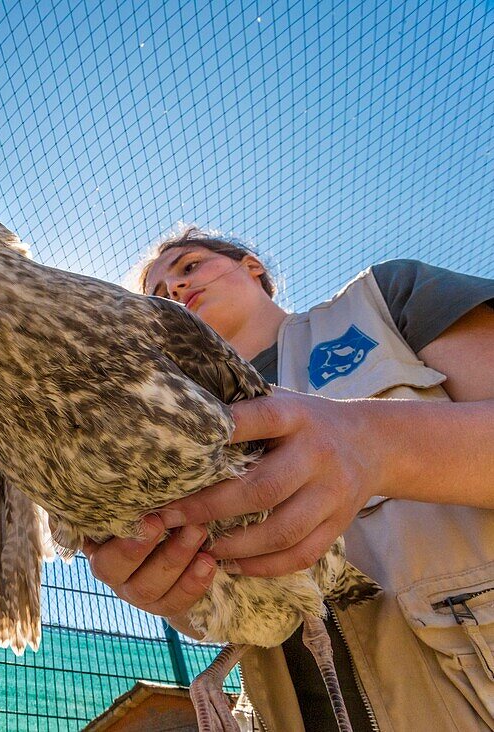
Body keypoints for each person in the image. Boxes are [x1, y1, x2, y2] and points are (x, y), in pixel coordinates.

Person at [84, 225, 494, 730]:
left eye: (189, 267)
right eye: (156, 294)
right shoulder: (154, 418)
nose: (174, 290)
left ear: (253, 267)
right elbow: (221, 600)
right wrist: (175, 592)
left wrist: (370, 442)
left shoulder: (382, 302)